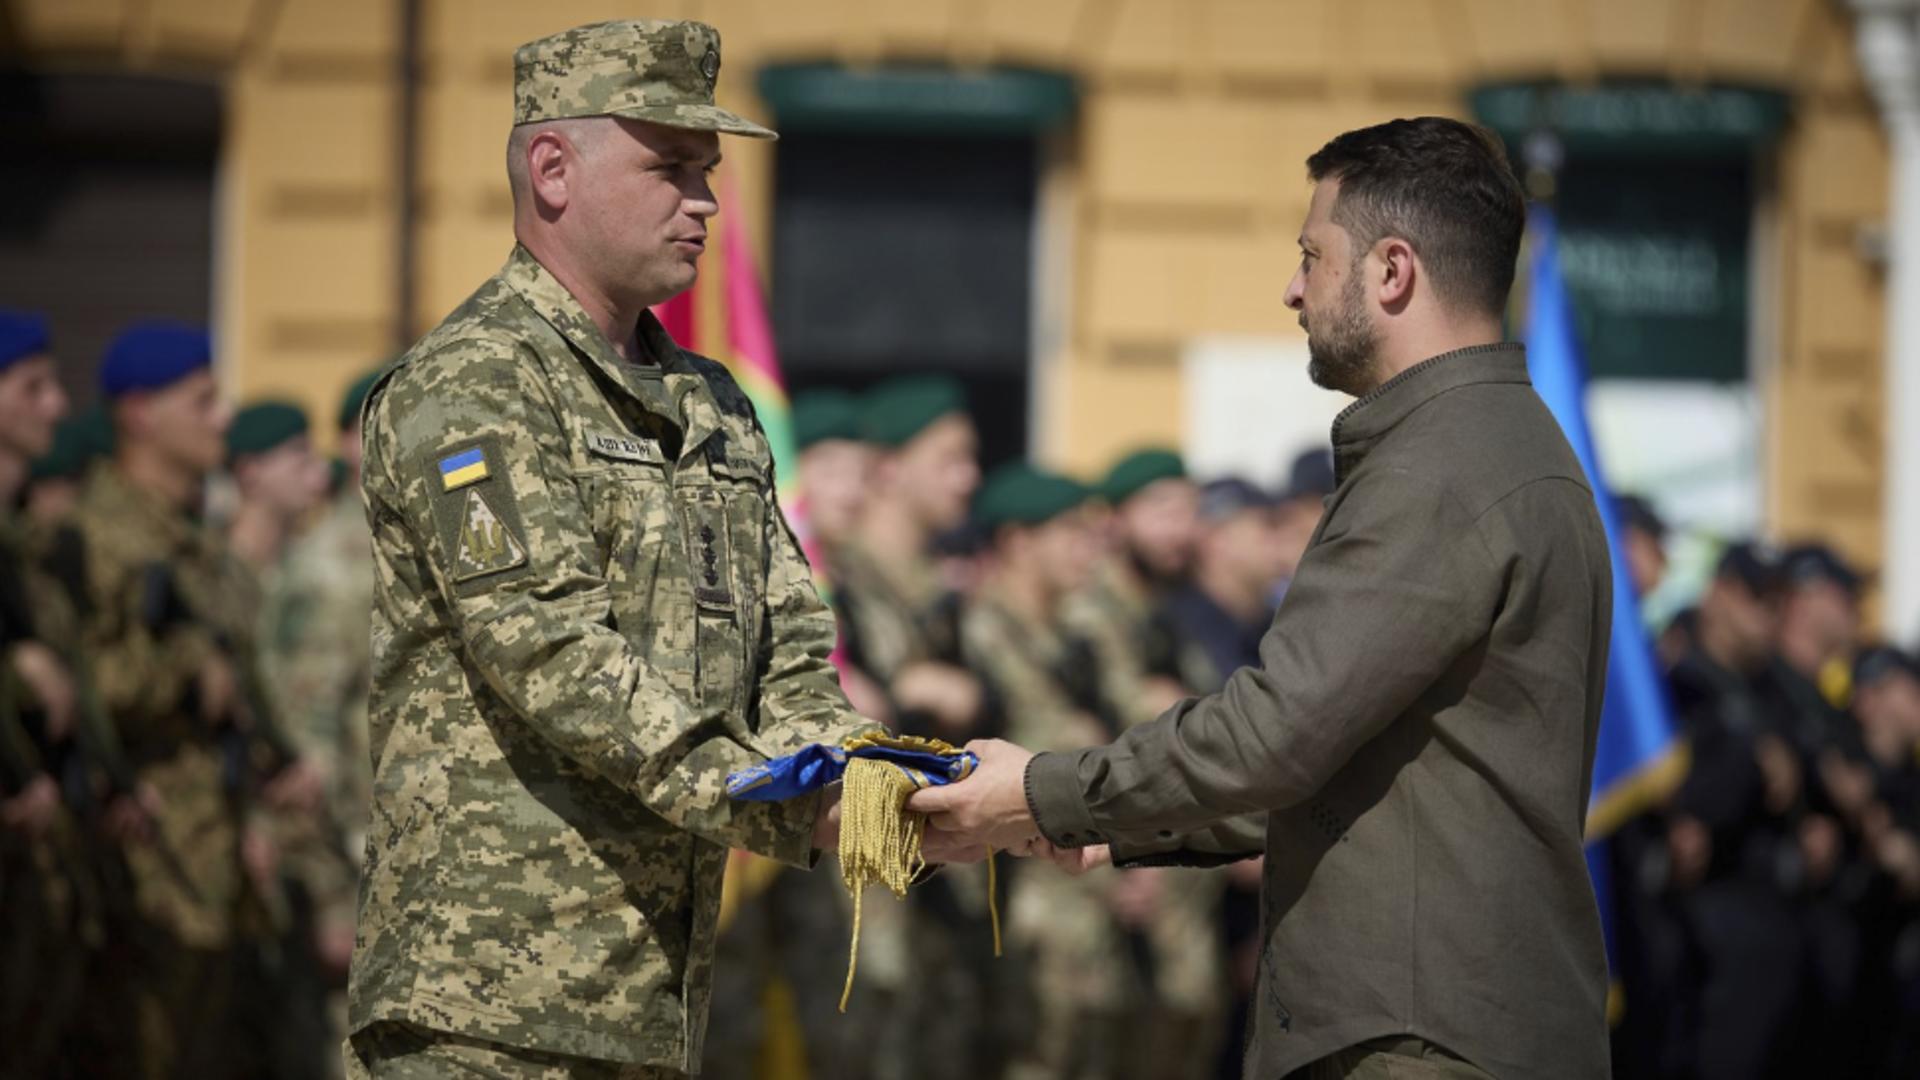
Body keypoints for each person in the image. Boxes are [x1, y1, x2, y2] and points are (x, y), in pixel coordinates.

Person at [913, 116, 1614, 1079]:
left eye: (1311, 256)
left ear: (1392, 272)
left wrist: (1041, 791)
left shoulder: (1438, 469)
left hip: (1415, 1039)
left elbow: (1275, 735)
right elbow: (1348, 772)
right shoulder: (1499, 448)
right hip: (1451, 1020)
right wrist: (1093, 822)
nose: (1293, 290)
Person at [346, 20, 873, 1078]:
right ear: (553, 169)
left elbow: (791, 643)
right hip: (484, 1013)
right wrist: (774, 799)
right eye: (671, 168)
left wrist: (864, 780)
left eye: (710, 173)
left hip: (655, 1004)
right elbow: (547, 648)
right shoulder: (476, 381)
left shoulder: (712, 403)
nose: (708, 204)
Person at [73, 321, 301, 1077]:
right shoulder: (94, 537)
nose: (222, 419)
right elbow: (81, 683)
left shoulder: (193, 545)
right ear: (140, 414)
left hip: (211, 859)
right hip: (139, 867)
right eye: (202, 402)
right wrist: (183, 674)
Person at [963, 463, 1133, 1080]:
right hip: (1018, 899)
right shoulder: (977, 633)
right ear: (1017, 541)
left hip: (1079, 895)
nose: (1088, 551)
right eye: (1070, 533)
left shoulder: (1073, 641)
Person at [258, 371, 382, 1079]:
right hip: (348, 866)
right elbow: (300, 753)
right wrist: (330, 897)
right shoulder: (330, 568)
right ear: (349, 444)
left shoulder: (399, 548)